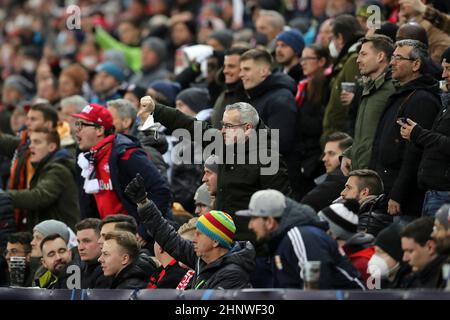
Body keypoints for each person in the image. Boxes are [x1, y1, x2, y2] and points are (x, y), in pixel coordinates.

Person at [138, 96, 291, 241]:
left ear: (247, 128)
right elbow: (189, 125)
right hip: (223, 240)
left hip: (252, 245)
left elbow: (279, 207)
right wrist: (156, 110)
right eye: (223, 124)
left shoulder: (269, 158)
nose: (223, 130)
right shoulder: (224, 143)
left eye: (229, 126)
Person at [125, 174, 256, 289]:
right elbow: (167, 236)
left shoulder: (232, 274)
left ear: (215, 241)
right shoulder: (202, 259)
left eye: (199, 234)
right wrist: (143, 203)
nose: (194, 239)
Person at [72, 103, 171, 242]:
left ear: (100, 129)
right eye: (77, 124)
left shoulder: (126, 154)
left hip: (136, 241)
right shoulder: (87, 158)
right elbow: (88, 207)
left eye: (82, 124)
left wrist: (144, 231)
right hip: (110, 241)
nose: (77, 130)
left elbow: (161, 190)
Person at [236, 189, 365, 289]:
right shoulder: (284, 240)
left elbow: (315, 291)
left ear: (269, 221)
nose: (250, 225)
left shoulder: (302, 236)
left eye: (254, 218)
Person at [370, 40, 442, 219]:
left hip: (403, 199)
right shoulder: (402, 93)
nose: (392, 63)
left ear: (416, 64)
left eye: (398, 58)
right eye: (392, 57)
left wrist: (398, 194)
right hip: (385, 185)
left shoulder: (422, 99)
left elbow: (414, 152)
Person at [239, 48, 299, 198]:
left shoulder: (281, 99)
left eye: (246, 69)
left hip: (276, 181)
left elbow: (279, 142)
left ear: (264, 71)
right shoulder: (255, 96)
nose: (241, 74)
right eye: (241, 69)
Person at [398, 47, 450, 217]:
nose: (444, 75)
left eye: (449, 69)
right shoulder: (446, 102)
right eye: (443, 69)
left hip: (444, 195)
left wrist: (419, 134)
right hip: (433, 192)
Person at [341, 35, 396, 174]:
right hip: (361, 171)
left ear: (380, 56)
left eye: (363, 54)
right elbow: (366, 135)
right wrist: (349, 153)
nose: (358, 60)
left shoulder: (393, 89)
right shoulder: (368, 88)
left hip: (377, 174)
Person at [7, 128, 80, 231]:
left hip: (61, 239)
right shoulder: (44, 167)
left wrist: (5, 196)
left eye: (37, 142)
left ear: (51, 147)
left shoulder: (58, 169)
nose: (31, 146)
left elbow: (38, 197)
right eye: (31, 141)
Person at [0, 103, 59, 230]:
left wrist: (4, 195)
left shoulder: (60, 159)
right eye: (27, 118)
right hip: (32, 222)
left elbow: (39, 196)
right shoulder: (26, 145)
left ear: (48, 124)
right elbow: (7, 142)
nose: (27, 123)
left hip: (54, 230)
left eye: (33, 119)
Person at [321, 14, 364, 145]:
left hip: (342, 138)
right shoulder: (346, 60)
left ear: (339, 38)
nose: (331, 43)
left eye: (332, 38)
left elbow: (348, 103)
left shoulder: (353, 60)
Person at [296, 44, 331, 195]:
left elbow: (320, 125)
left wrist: (295, 118)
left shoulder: (326, 86)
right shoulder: (304, 86)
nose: (302, 62)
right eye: (301, 58)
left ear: (322, 61)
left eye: (307, 58)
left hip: (315, 159)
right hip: (306, 156)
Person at [318, 200, 375, 283]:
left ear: (332, 234)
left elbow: (376, 294)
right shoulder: (340, 254)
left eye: (320, 229)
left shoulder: (364, 264)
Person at [301, 132, 352, 212]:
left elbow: (307, 203)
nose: (324, 159)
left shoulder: (338, 179)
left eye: (331, 154)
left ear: (346, 155)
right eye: (325, 154)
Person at [340, 169, 393, 236]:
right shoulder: (367, 212)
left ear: (364, 192)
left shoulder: (370, 220)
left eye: (349, 188)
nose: (342, 193)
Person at [401, 217, 447, 288]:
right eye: (404, 251)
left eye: (410, 251)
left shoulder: (444, 282)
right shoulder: (410, 280)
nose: (405, 258)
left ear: (430, 247)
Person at [211, 46, 249, 129]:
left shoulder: (248, 98)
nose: (225, 71)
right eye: (225, 66)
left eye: (231, 66)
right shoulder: (225, 92)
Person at [367, 223, 412, 289]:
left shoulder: (411, 285)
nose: (374, 258)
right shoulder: (376, 282)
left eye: (380, 252)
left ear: (398, 256)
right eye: (375, 252)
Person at [75, 218, 110, 288]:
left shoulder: (110, 271)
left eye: (86, 241)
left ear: (102, 241)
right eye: (79, 242)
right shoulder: (76, 270)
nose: (80, 248)